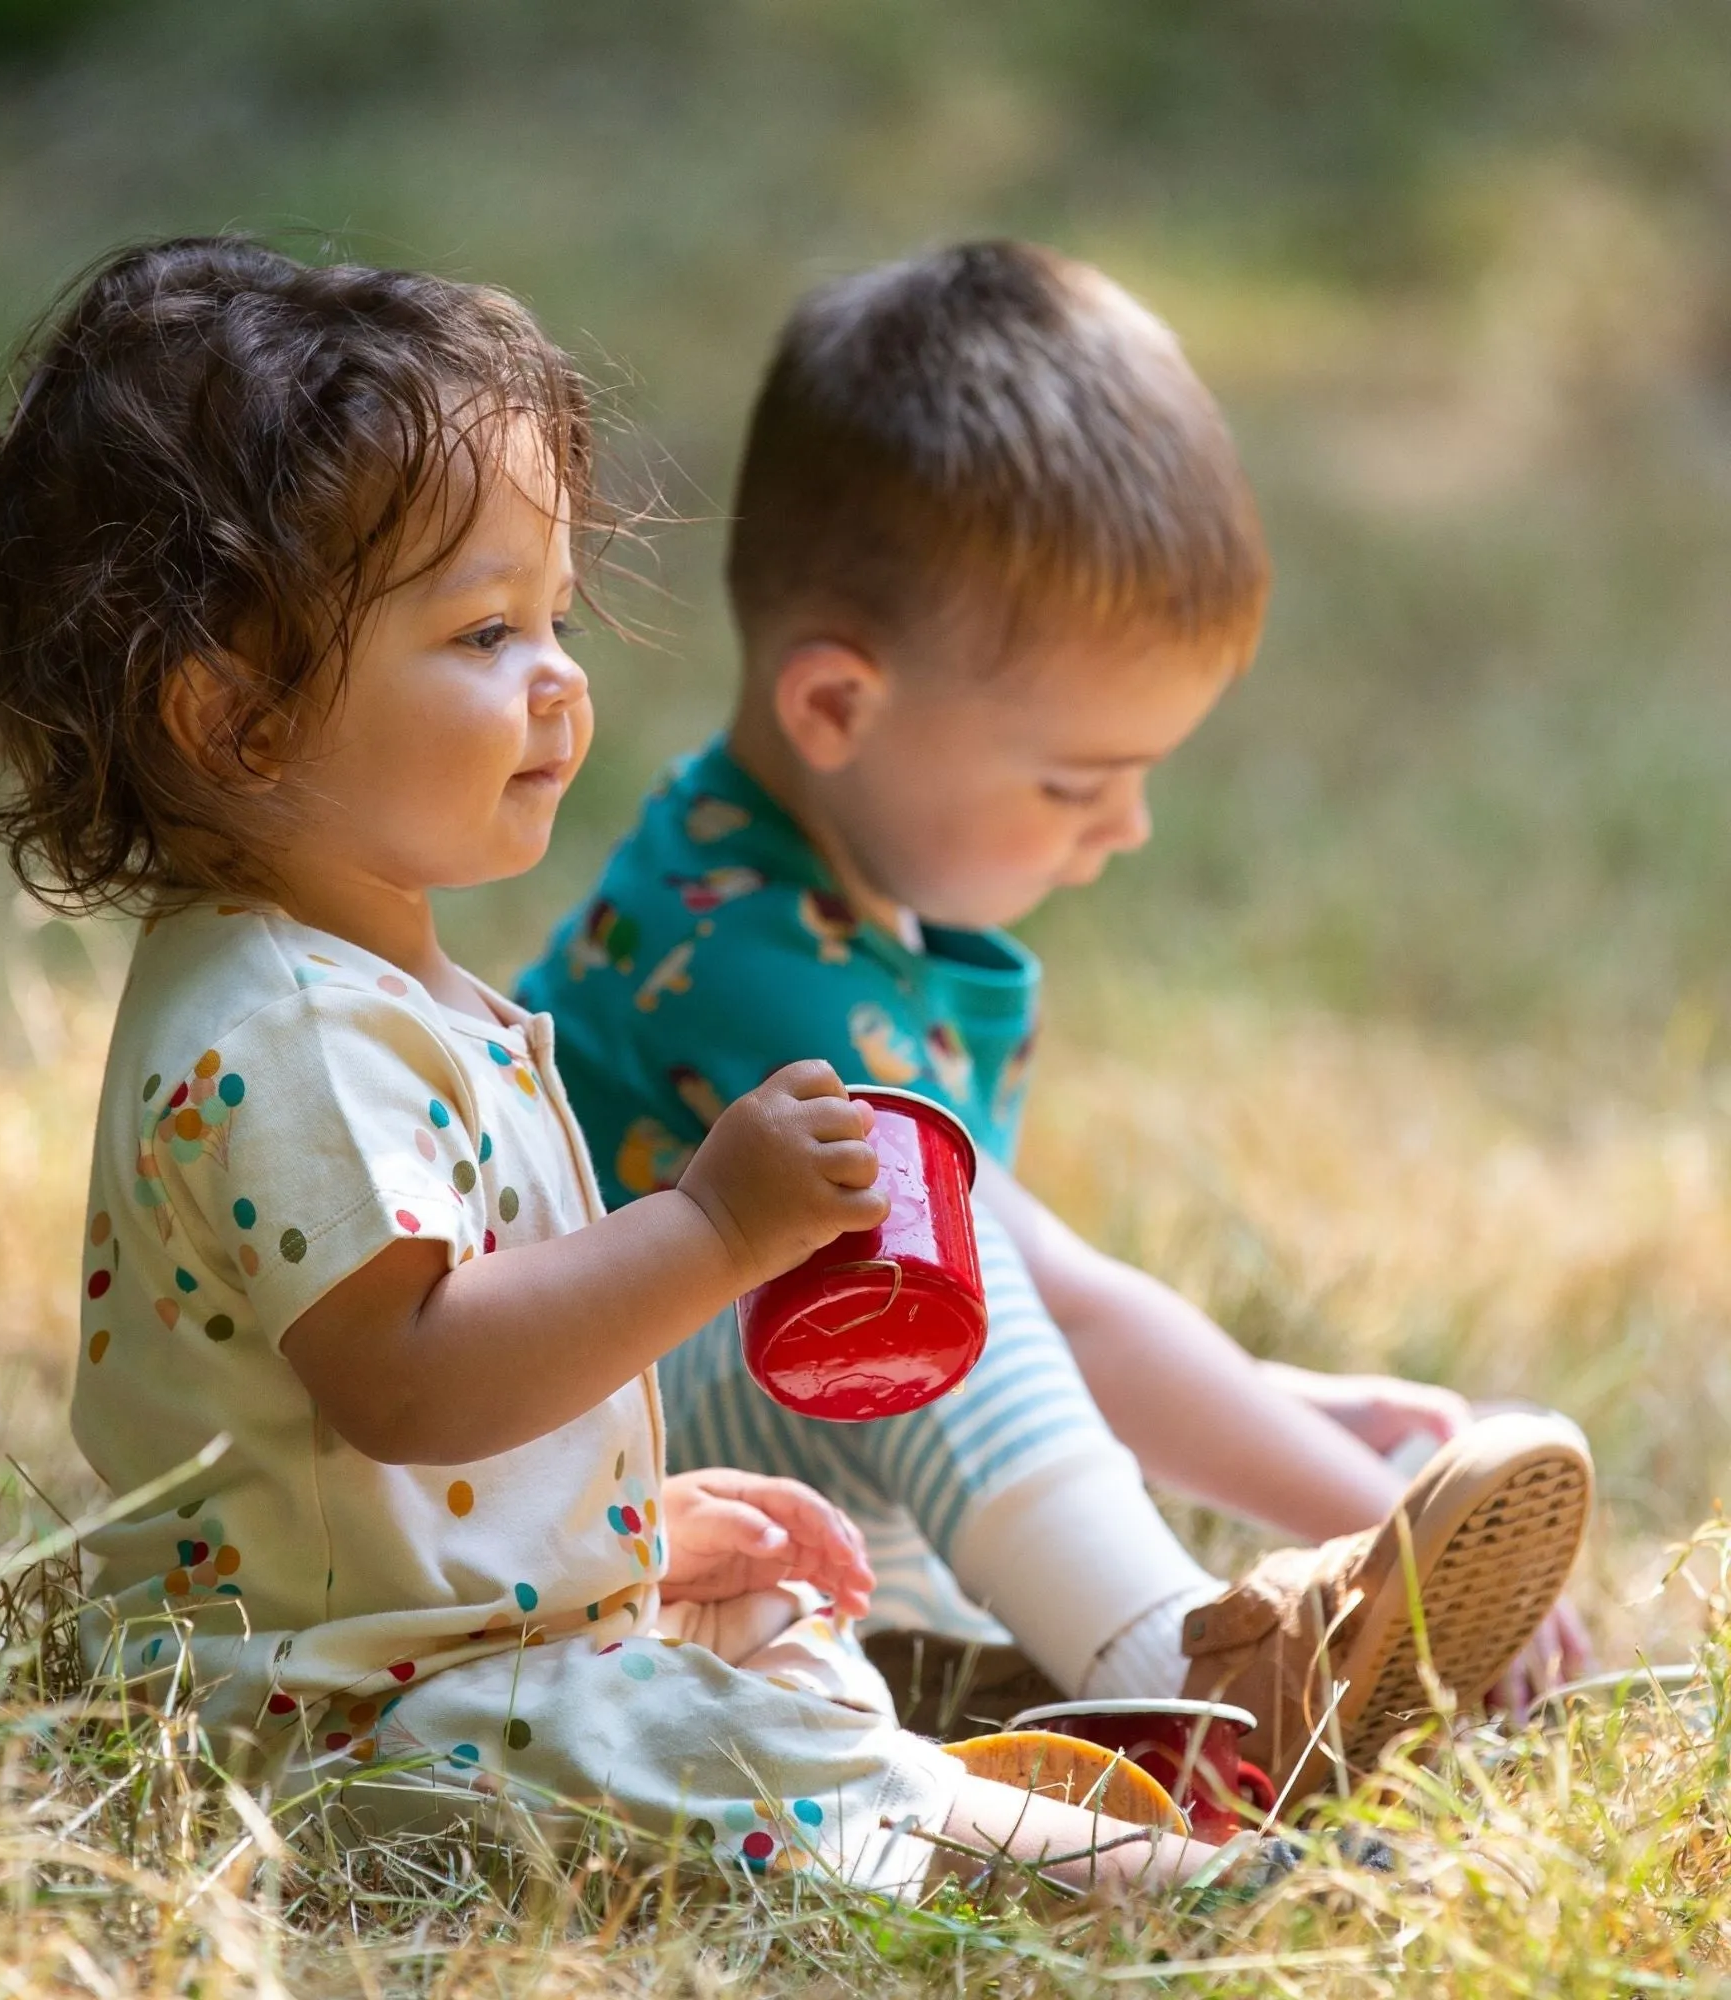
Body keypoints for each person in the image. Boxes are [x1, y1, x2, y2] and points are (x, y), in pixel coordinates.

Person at [0, 233, 1244, 1895]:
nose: (559, 679)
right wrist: (714, 1236)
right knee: (749, 1748)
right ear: (230, 719)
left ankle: (965, 1756)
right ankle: (1146, 1881)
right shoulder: (291, 1028)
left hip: (428, 1649)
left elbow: (419, 1456)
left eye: (552, 616)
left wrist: (622, 1540)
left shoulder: (368, 982)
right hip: (340, 1722)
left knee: (769, 1632)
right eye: (479, 635)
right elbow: (413, 1384)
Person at [520, 241, 1592, 1799]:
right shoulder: (750, 969)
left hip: (740, 1481)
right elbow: (1058, 1306)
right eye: (1078, 783)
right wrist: (1365, 1505)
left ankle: (1019, 1679)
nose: (1128, 828)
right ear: (839, 708)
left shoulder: (795, 882)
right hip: (581, 1479)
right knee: (905, 1258)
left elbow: (1039, 1346)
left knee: (929, 1280)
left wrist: (1286, 1408)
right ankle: (1199, 1682)